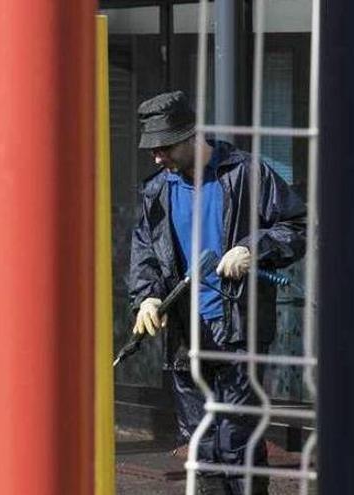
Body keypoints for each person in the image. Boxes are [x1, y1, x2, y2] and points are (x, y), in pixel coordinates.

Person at [128, 91, 307, 494]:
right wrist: (147, 298)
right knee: (202, 445)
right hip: (185, 336)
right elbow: (146, 257)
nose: (158, 157)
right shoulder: (157, 190)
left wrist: (251, 248)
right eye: (152, 149)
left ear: (192, 136)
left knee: (236, 443)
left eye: (164, 147)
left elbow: (296, 226)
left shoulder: (247, 173)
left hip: (240, 329)